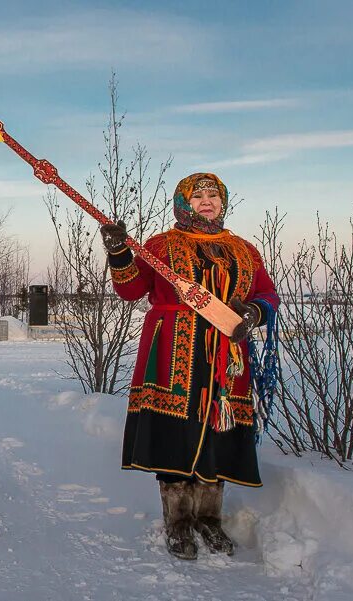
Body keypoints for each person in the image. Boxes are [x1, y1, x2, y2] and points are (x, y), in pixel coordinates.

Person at [100, 172, 279, 560]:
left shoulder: (243, 249)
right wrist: (119, 253)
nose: (207, 200)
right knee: (177, 433)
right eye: (197, 195)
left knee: (218, 427)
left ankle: (209, 519)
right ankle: (178, 521)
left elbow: (267, 294)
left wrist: (253, 311)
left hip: (227, 357)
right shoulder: (161, 245)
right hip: (174, 350)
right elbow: (131, 288)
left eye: (214, 194)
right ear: (183, 203)